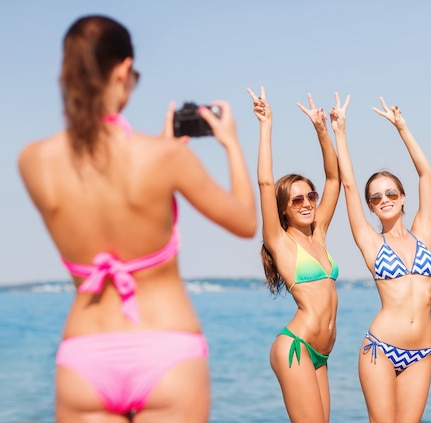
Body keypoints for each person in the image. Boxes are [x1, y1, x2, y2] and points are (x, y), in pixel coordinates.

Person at [18, 15, 257, 422]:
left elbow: (100, 181)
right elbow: (245, 222)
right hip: (167, 348)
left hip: (84, 356)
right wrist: (230, 143)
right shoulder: (165, 158)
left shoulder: (34, 161)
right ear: (124, 69)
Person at [334, 95, 431, 422]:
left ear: (403, 197)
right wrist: (339, 131)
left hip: (421, 353)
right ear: (371, 206)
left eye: (392, 193)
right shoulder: (370, 242)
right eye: (376, 197)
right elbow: (349, 186)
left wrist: (402, 128)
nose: (385, 199)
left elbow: (427, 174)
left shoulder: (422, 233)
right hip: (380, 349)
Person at [247, 86, 341, 423]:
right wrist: (266, 125)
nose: (306, 204)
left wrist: (321, 131)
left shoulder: (320, 233)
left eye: (309, 197)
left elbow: (334, 178)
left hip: (320, 353)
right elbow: (264, 182)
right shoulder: (280, 241)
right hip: (295, 347)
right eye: (297, 200)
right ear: (284, 209)